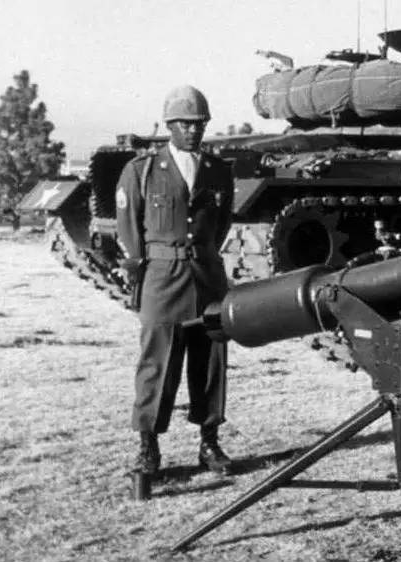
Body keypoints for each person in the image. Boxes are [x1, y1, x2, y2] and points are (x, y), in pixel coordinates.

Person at [115, 85, 235, 476]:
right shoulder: (142, 170)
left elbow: (221, 225)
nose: (193, 130)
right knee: (157, 365)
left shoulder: (218, 171)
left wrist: (202, 256)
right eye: (185, 123)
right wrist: (146, 265)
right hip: (162, 279)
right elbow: (129, 228)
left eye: (200, 123)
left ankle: (209, 442)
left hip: (207, 278)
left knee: (211, 362)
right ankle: (148, 447)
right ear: (170, 125)